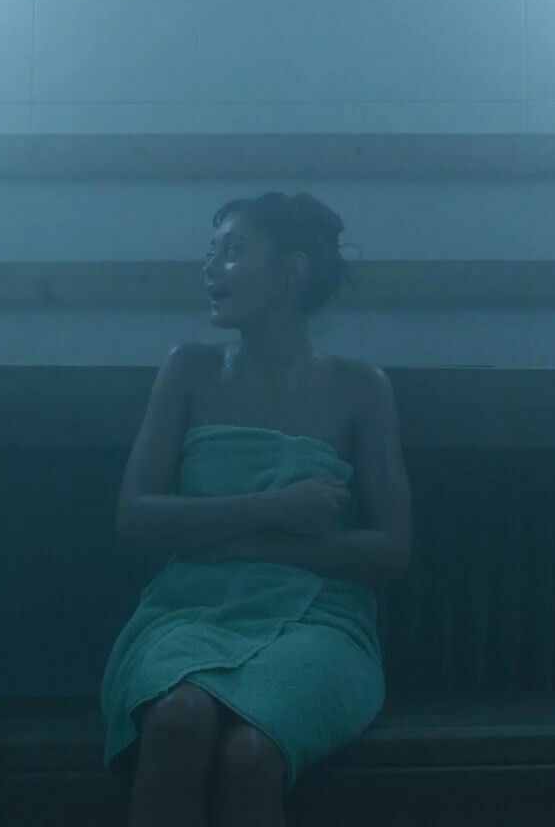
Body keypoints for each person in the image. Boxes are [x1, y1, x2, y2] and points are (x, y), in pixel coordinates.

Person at [102, 192, 410, 827]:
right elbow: (135, 517)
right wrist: (276, 506)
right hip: (187, 612)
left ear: (291, 271)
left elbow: (390, 551)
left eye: (233, 252)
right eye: (210, 252)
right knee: (178, 717)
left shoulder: (361, 389)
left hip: (320, 623)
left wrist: (244, 543)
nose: (210, 268)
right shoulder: (188, 370)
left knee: (250, 753)